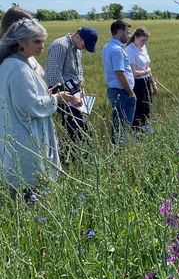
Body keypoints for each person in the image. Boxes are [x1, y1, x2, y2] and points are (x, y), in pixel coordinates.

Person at [0, 18, 81, 199]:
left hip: (16, 134)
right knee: (30, 191)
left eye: (43, 41)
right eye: (37, 41)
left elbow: (24, 97)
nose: (42, 46)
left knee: (23, 191)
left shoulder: (13, 63)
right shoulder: (18, 67)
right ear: (21, 42)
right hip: (26, 138)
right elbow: (31, 105)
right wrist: (56, 98)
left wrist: (48, 92)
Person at [45, 26, 99, 159]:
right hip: (61, 93)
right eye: (84, 45)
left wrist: (81, 88)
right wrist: (72, 97)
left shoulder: (77, 48)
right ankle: (68, 159)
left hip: (74, 92)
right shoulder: (60, 45)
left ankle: (72, 159)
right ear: (78, 36)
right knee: (80, 129)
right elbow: (54, 76)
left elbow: (78, 71)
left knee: (78, 130)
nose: (84, 48)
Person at [101, 20, 136, 144]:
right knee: (123, 126)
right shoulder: (117, 50)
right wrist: (131, 93)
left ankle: (117, 149)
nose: (129, 35)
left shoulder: (107, 47)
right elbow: (120, 73)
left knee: (118, 124)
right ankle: (120, 152)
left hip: (115, 91)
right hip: (122, 93)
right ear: (120, 32)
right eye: (127, 32)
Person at [125, 27, 157, 134]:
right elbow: (134, 73)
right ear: (136, 37)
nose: (144, 43)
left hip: (146, 81)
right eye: (143, 40)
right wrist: (146, 71)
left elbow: (147, 66)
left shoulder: (143, 48)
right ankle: (136, 133)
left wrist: (153, 83)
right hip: (136, 84)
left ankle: (145, 128)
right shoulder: (129, 50)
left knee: (147, 105)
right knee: (138, 108)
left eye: (146, 40)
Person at [0, 4, 45, 77]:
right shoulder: (7, 52)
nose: (34, 27)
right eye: (28, 23)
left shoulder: (21, 47)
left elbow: (40, 69)